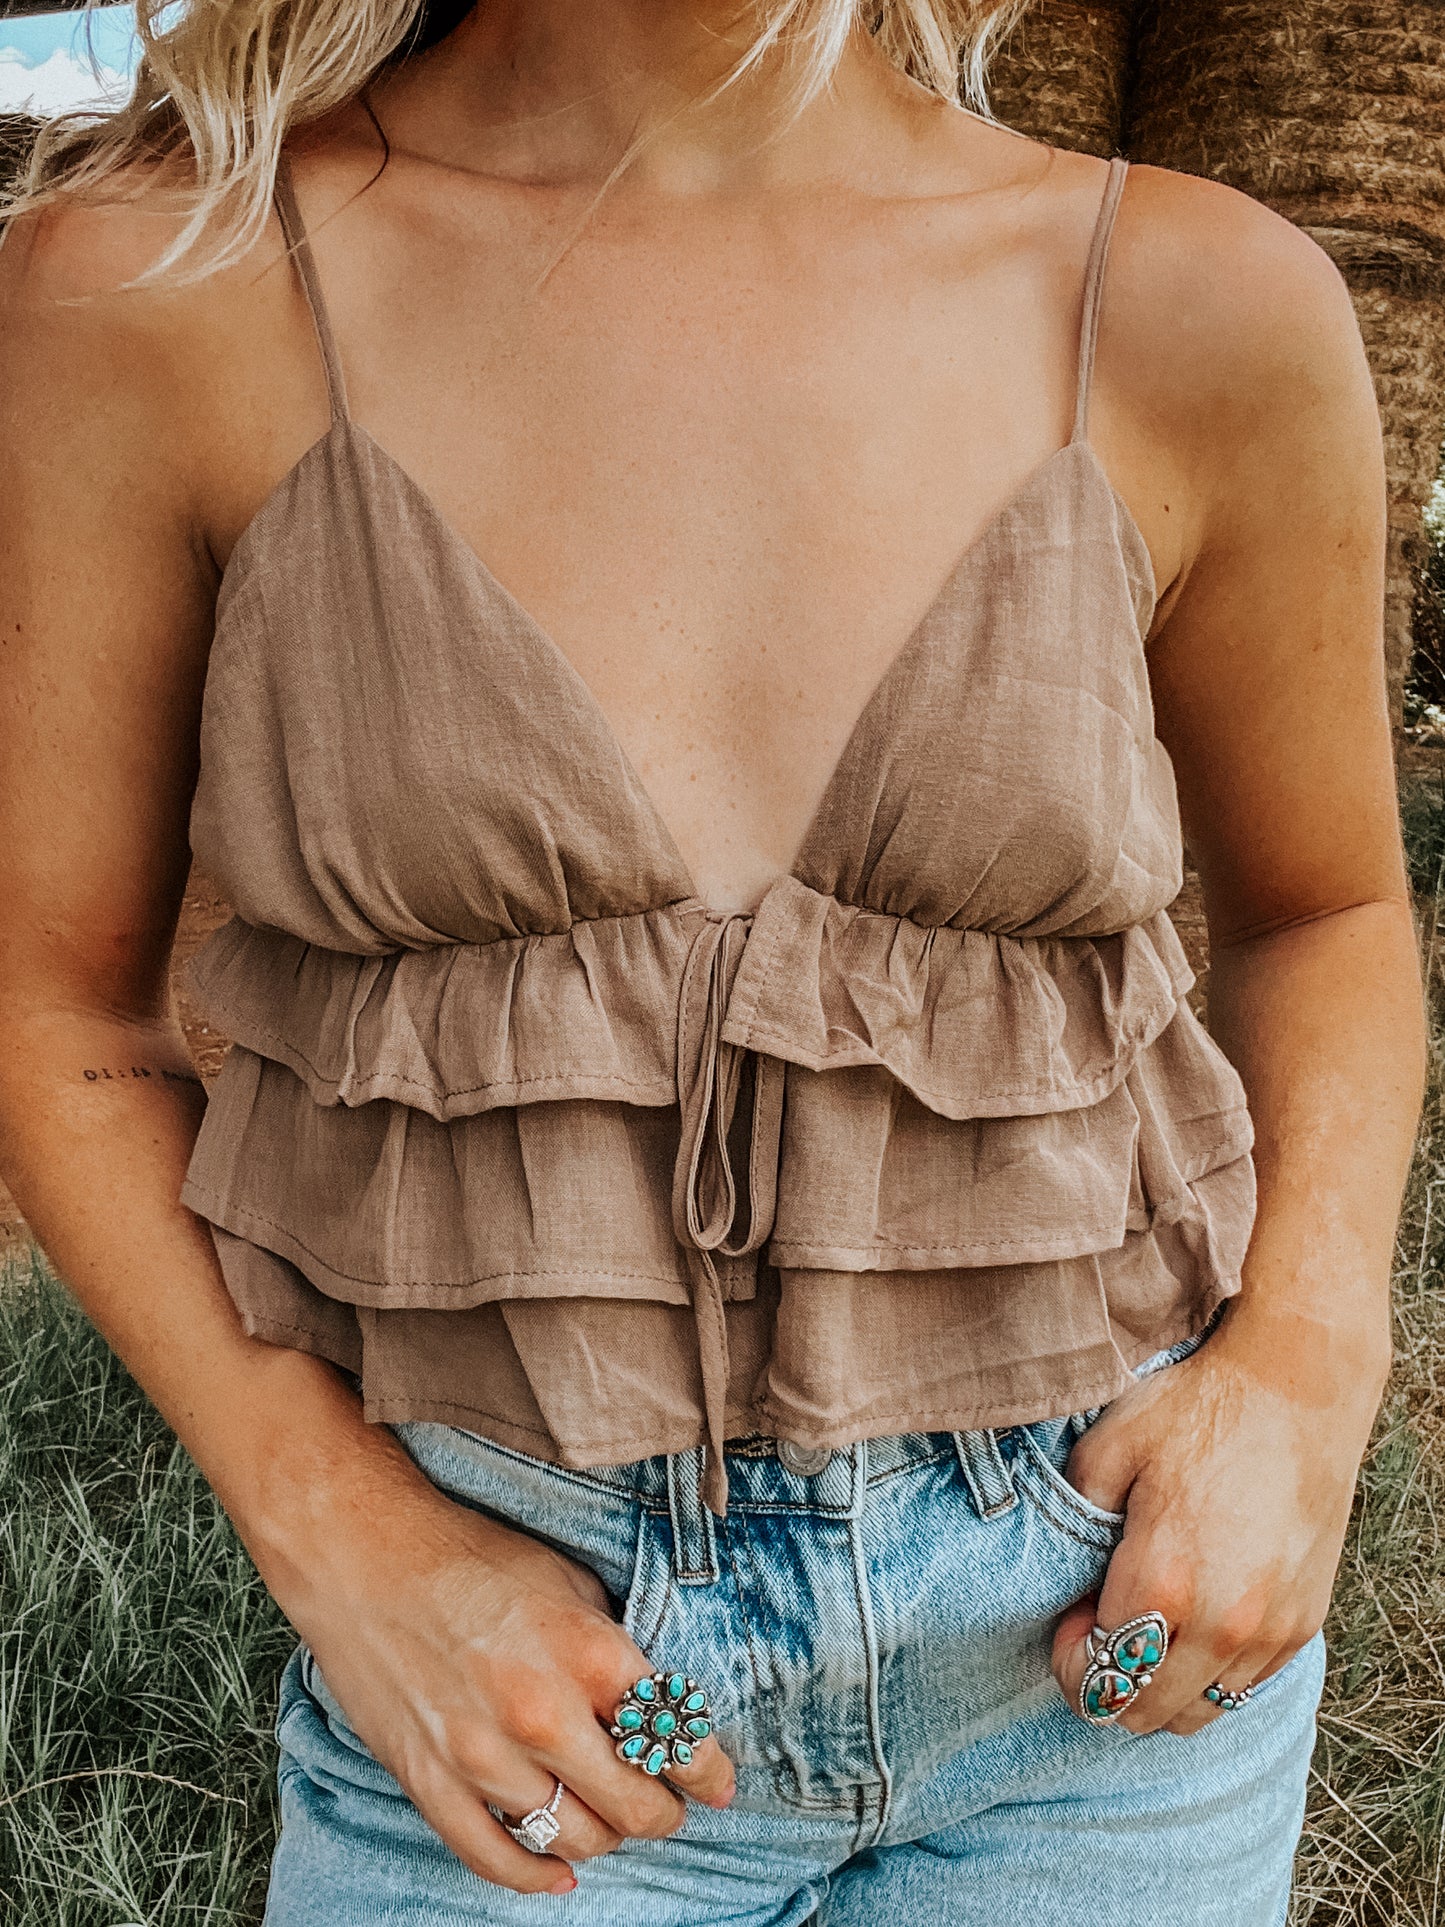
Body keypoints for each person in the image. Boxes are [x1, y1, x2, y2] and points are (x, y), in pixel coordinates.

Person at [0, 2, 1425, 1921]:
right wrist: (341, 1537)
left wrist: (1305, 1376)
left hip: (1093, 1653)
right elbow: (51, 1005)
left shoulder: (1183, 294)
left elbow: (1323, 912)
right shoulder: (173, 280)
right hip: (518, 1655)